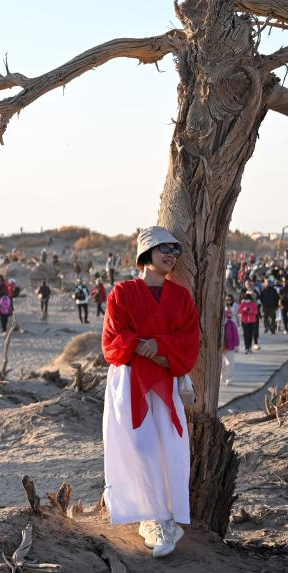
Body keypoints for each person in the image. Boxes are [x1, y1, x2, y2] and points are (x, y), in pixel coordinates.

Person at [102, 226, 199, 558]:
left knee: (169, 448)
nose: (171, 255)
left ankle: (167, 518)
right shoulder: (122, 293)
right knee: (139, 448)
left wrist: (158, 346)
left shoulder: (181, 297)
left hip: (166, 382)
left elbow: (189, 341)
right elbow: (112, 340)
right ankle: (151, 517)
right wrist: (140, 347)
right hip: (129, 382)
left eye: (175, 251)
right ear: (146, 253)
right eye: (164, 249)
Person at [221, 295, 240, 385]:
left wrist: (236, 345)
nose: (228, 314)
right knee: (222, 364)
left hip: (230, 345)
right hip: (221, 346)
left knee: (229, 363)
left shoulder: (231, 323)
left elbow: (235, 335)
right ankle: (223, 376)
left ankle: (229, 378)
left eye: (229, 312)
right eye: (226, 313)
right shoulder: (219, 323)